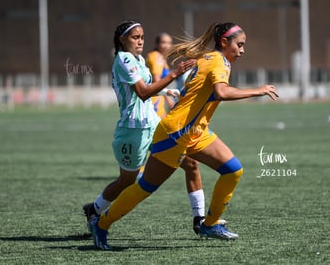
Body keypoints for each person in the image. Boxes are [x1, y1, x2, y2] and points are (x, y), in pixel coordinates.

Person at [90, 22, 279, 250]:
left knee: (233, 170)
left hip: (195, 132)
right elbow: (221, 92)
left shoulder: (211, 58)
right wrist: (257, 90)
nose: (242, 50)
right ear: (224, 43)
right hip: (175, 133)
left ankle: (209, 224)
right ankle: (101, 223)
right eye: (240, 45)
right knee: (145, 187)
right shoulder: (217, 61)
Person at [82, 20, 198, 234]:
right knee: (127, 181)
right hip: (133, 131)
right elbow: (143, 92)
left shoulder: (139, 59)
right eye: (135, 37)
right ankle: (95, 210)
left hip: (153, 123)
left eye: (142, 37)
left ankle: (200, 220)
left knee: (190, 163)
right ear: (122, 39)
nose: (140, 41)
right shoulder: (124, 59)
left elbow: (146, 90)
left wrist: (165, 92)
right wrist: (173, 74)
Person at [146, 32, 217, 233]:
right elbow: (154, 82)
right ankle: (100, 213)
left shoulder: (160, 59)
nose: (167, 46)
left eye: (170, 42)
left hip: (162, 113)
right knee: (136, 182)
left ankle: (199, 219)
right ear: (157, 43)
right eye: (164, 42)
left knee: (190, 165)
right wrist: (167, 97)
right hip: (154, 114)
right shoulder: (154, 59)